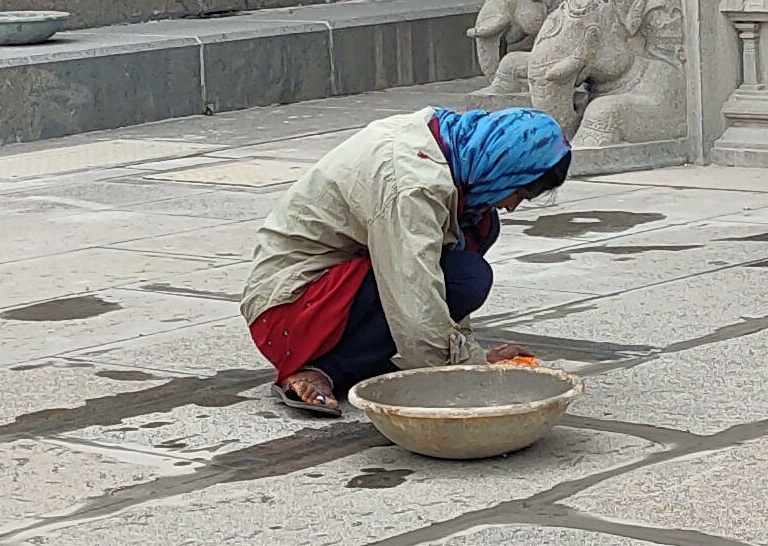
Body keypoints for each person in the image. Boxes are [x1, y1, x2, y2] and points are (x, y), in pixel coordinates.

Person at [243, 107, 569, 415]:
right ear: (502, 168)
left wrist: (473, 355)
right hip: (288, 310)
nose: (511, 206)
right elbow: (415, 296)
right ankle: (324, 368)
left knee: (477, 239)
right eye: (519, 194)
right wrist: (470, 374)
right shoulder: (415, 182)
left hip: (336, 289)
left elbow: (431, 282)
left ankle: (355, 362)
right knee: (466, 277)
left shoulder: (449, 147)